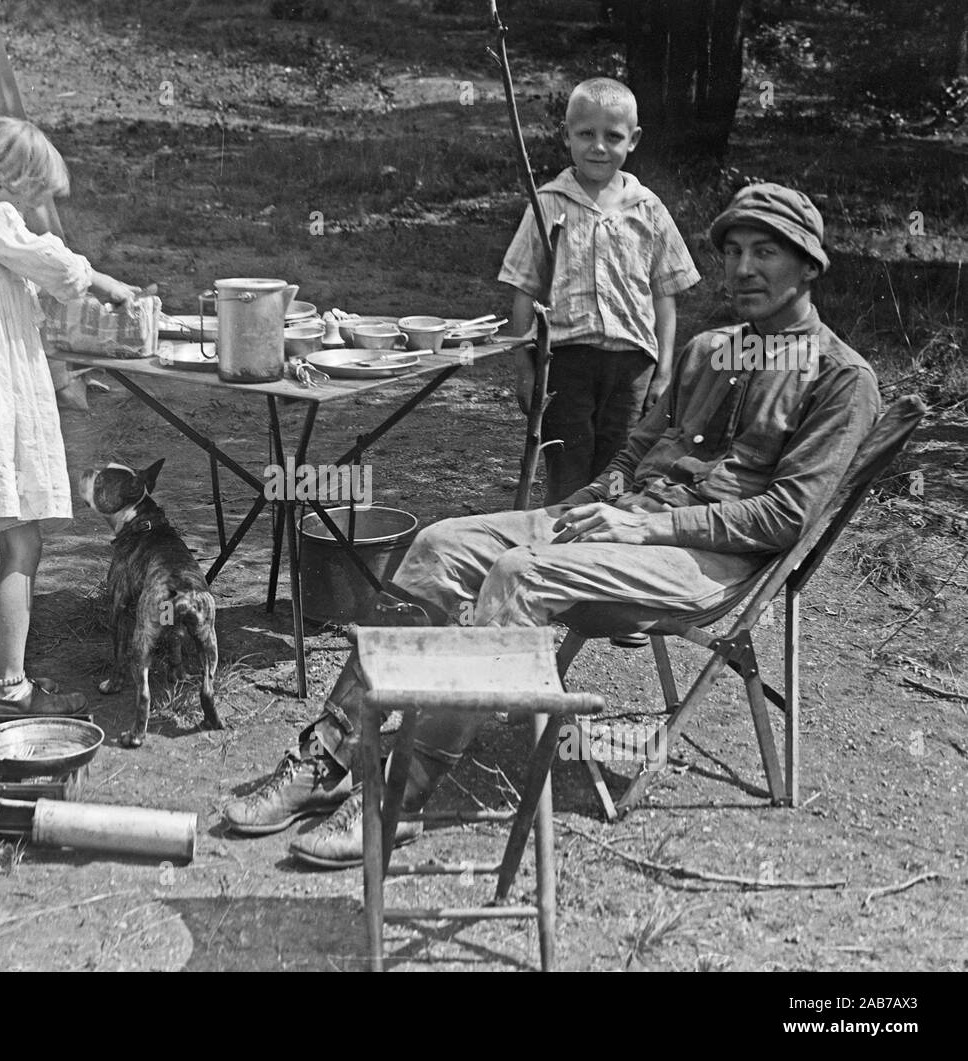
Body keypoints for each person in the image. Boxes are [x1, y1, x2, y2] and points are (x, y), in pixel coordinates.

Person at [224, 182, 882, 868]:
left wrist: (642, 530)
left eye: (766, 253)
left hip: (703, 562)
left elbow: (784, 516)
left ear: (809, 265)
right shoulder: (710, 349)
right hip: (621, 524)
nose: (744, 268)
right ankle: (331, 751)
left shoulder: (841, 379)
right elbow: (633, 452)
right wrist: (587, 506)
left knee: (517, 577)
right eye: (735, 252)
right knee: (440, 546)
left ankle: (400, 797)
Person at [0, 116, 140, 711]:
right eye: (34, 192)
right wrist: (105, 283)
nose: (36, 207)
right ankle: (11, 688)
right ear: (6, 178)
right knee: (22, 545)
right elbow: (51, 262)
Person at [501, 77, 700, 505]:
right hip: (564, 362)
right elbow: (523, 291)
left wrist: (663, 371)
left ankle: (604, 547)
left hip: (632, 366)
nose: (598, 147)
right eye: (586, 134)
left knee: (621, 467)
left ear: (634, 140)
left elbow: (665, 294)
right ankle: (556, 552)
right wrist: (524, 368)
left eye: (613, 136)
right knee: (567, 465)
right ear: (567, 136)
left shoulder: (647, 208)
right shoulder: (547, 203)